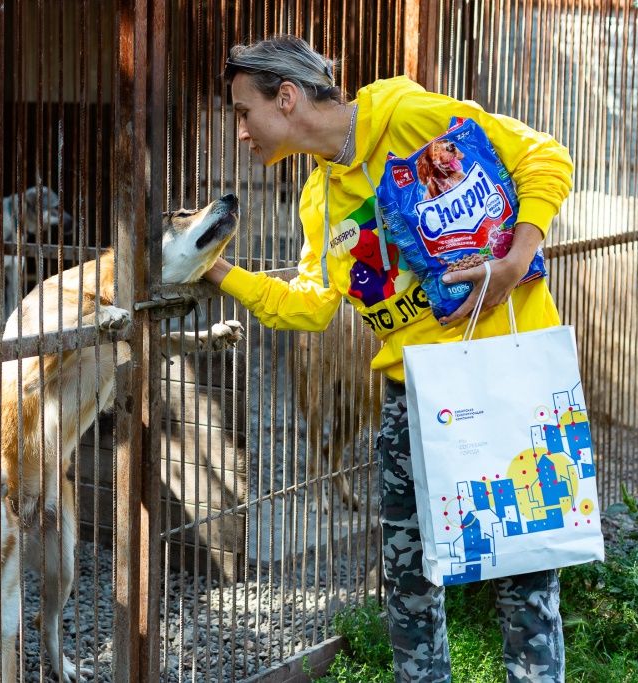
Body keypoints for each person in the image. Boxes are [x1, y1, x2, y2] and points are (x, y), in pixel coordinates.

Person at [205, 35, 572, 682]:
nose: (240, 131)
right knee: (409, 586)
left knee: (524, 584)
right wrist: (219, 269)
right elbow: (314, 304)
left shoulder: (405, 119)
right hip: (412, 401)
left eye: (243, 111)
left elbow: (544, 156)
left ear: (286, 98)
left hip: (502, 373)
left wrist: (516, 259)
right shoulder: (318, 202)